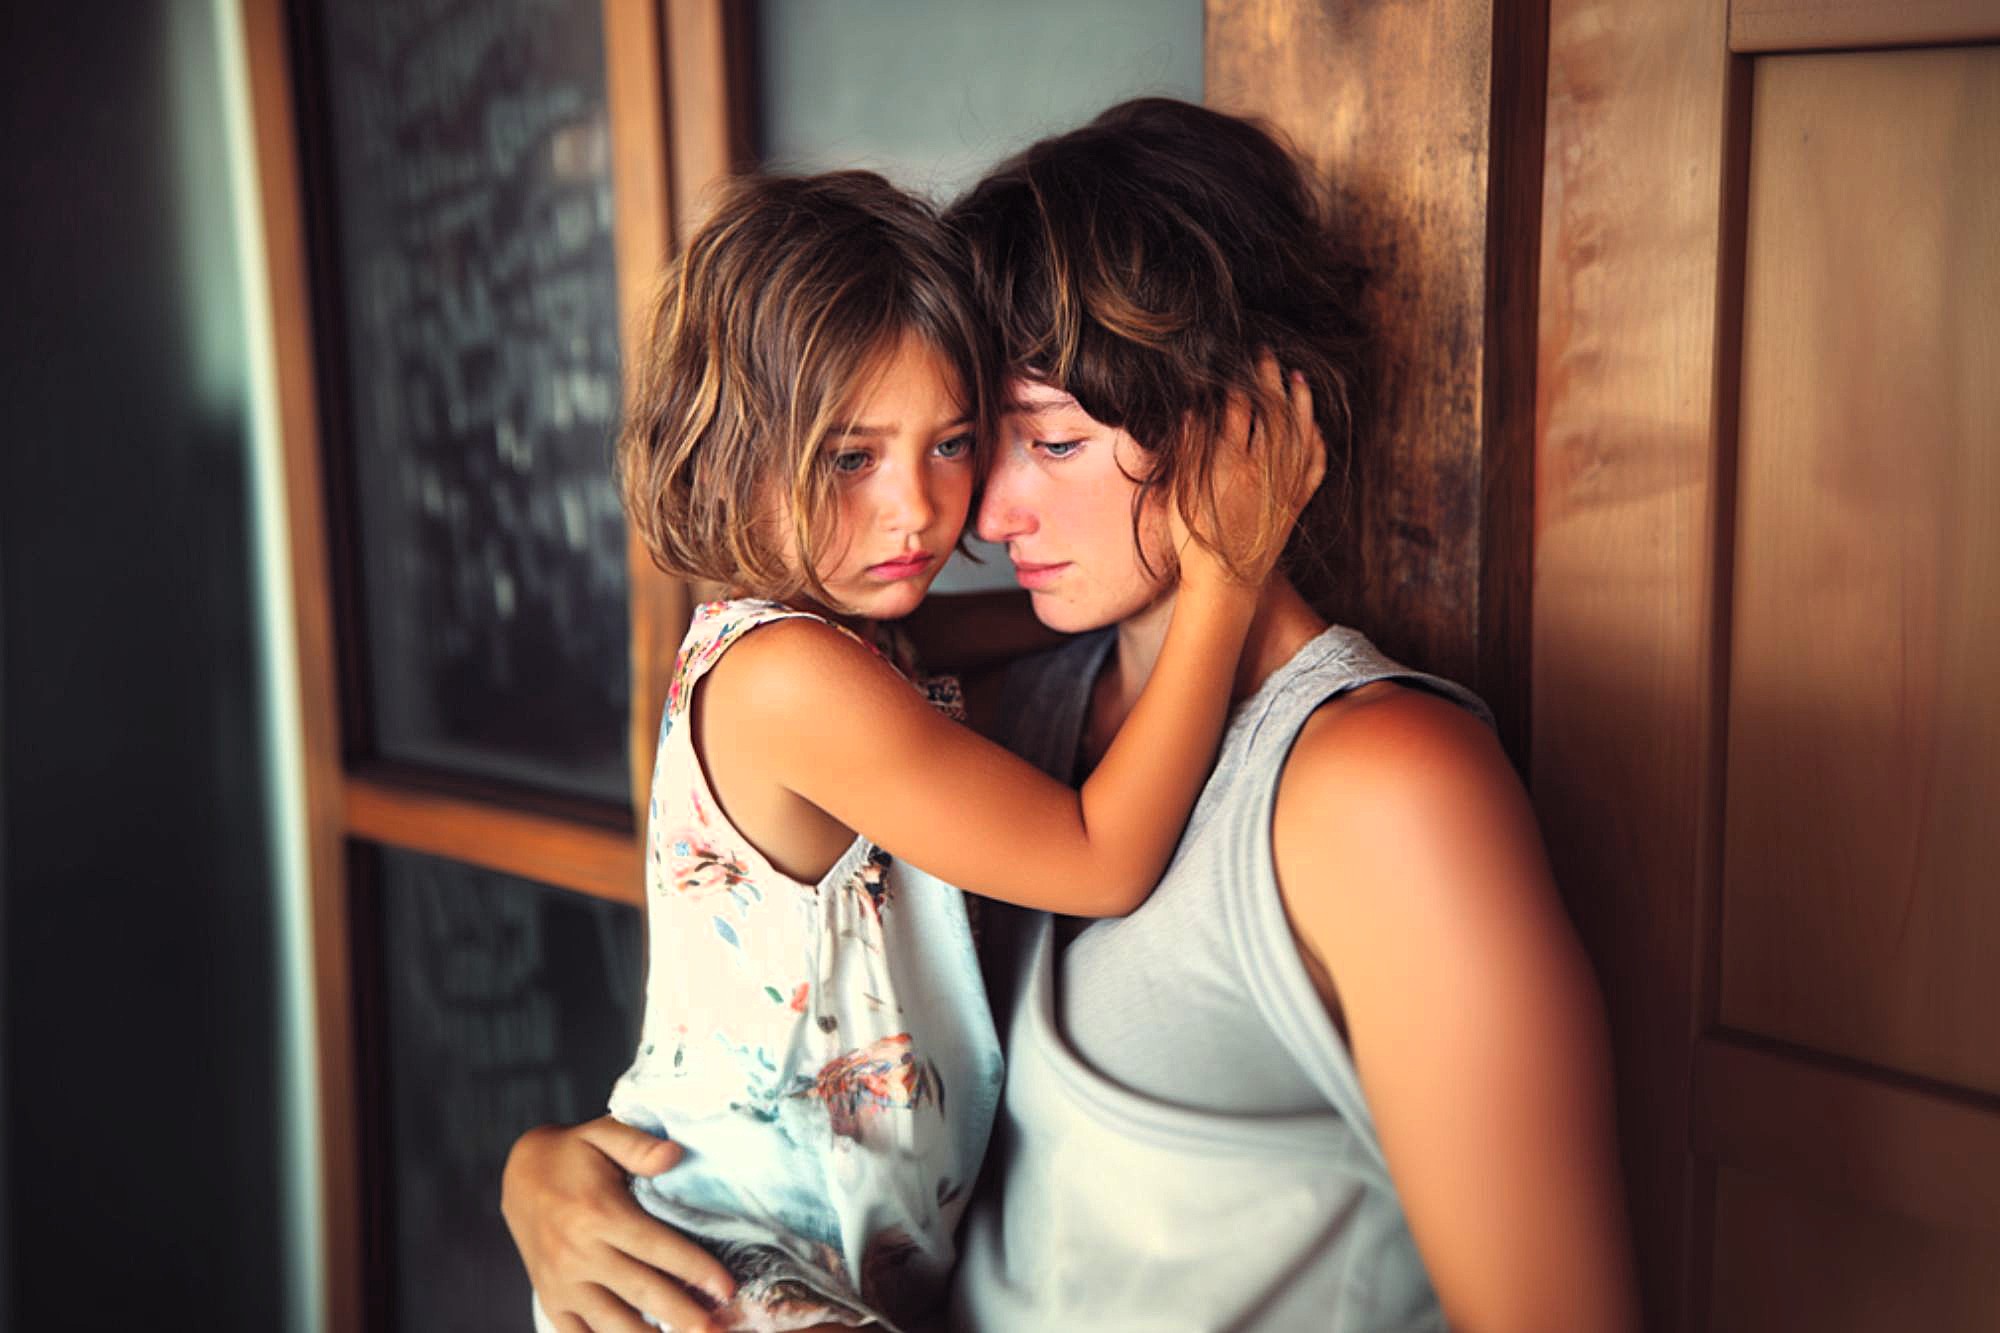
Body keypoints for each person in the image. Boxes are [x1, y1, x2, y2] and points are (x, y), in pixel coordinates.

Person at [506, 101, 1641, 1333]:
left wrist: (1228, 572)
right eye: (978, 442)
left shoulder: (1382, 789)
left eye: (1040, 441)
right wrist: (548, 1179)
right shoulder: (995, 712)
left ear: (1239, 423)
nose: (974, 518)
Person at [547, 167, 1322, 1333]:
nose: (917, 509)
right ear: (733, 449)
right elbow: (1099, 856)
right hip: (730, 1268)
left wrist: (1134, 577)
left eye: (952, 442)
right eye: (852, 458)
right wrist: (1223, 566)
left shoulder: (853, 641)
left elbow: (1009, 621)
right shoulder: (788, 679)